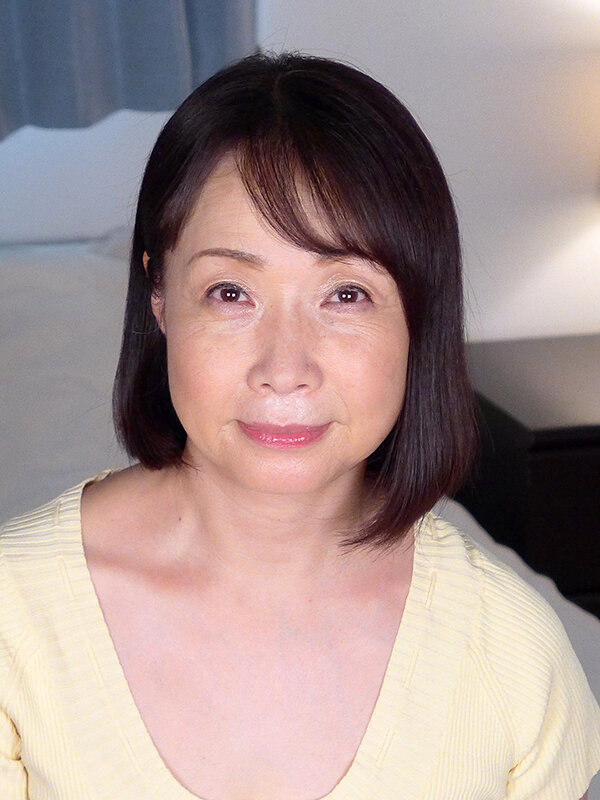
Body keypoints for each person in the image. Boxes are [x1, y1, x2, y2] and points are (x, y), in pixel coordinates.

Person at [1, 51, 598, 800]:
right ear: (159, 299)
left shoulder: (514, 651)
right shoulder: (14, 618)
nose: (285, 369)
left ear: (416, 318)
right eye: (230, 292)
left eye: (346, 295)